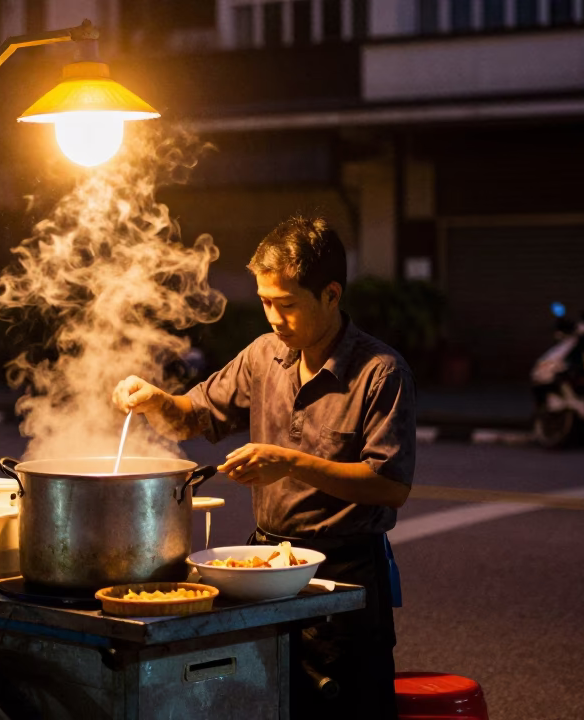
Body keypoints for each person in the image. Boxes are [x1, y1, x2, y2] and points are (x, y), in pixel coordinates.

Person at [112, 215, 414, 720]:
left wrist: (288, 462)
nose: (273, 317)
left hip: (342, 581)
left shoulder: (380, 372)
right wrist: (155, 399)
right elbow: (193, 418)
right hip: (265, 571)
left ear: (332, 295)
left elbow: (389, 485)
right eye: (266, 301)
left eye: (287, 304)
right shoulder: (264, 356)